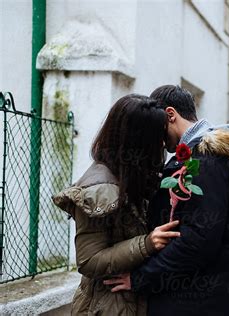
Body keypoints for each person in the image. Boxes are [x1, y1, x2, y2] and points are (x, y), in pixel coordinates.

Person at [106, 85, 229, 316]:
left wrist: (141, 278)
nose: (156, 136)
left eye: (158, 125)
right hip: (222, 298)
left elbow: (198, 240)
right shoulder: (220, 157)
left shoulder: (206, 161)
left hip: (202, 303)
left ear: (170, 115)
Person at [52, 94, 181, 315]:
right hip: (106, 307)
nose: (162, 143)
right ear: (140, 141)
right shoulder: (100, 190)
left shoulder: (135, 177)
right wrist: (146, 244)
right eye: (157, 137)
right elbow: (88, 260)